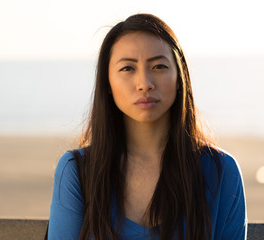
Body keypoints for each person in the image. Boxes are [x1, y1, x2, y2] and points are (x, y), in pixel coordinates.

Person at [48, 13, 247, 240]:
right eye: (127, 68)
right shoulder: (77, 171)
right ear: (108, 83)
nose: (144, 84)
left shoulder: (221, 170)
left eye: (159, 66)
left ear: (179, 76)